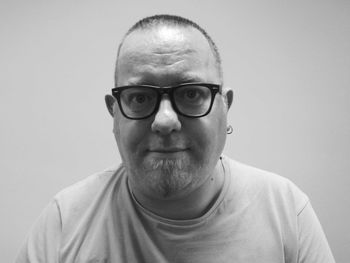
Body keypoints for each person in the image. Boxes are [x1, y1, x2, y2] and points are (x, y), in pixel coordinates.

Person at [16, 14, 335, 263]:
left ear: (225, 108)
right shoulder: (64, 222)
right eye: (140, 98)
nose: (165, 121)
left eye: (192, 94)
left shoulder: (286, 212)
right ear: (115, 113)